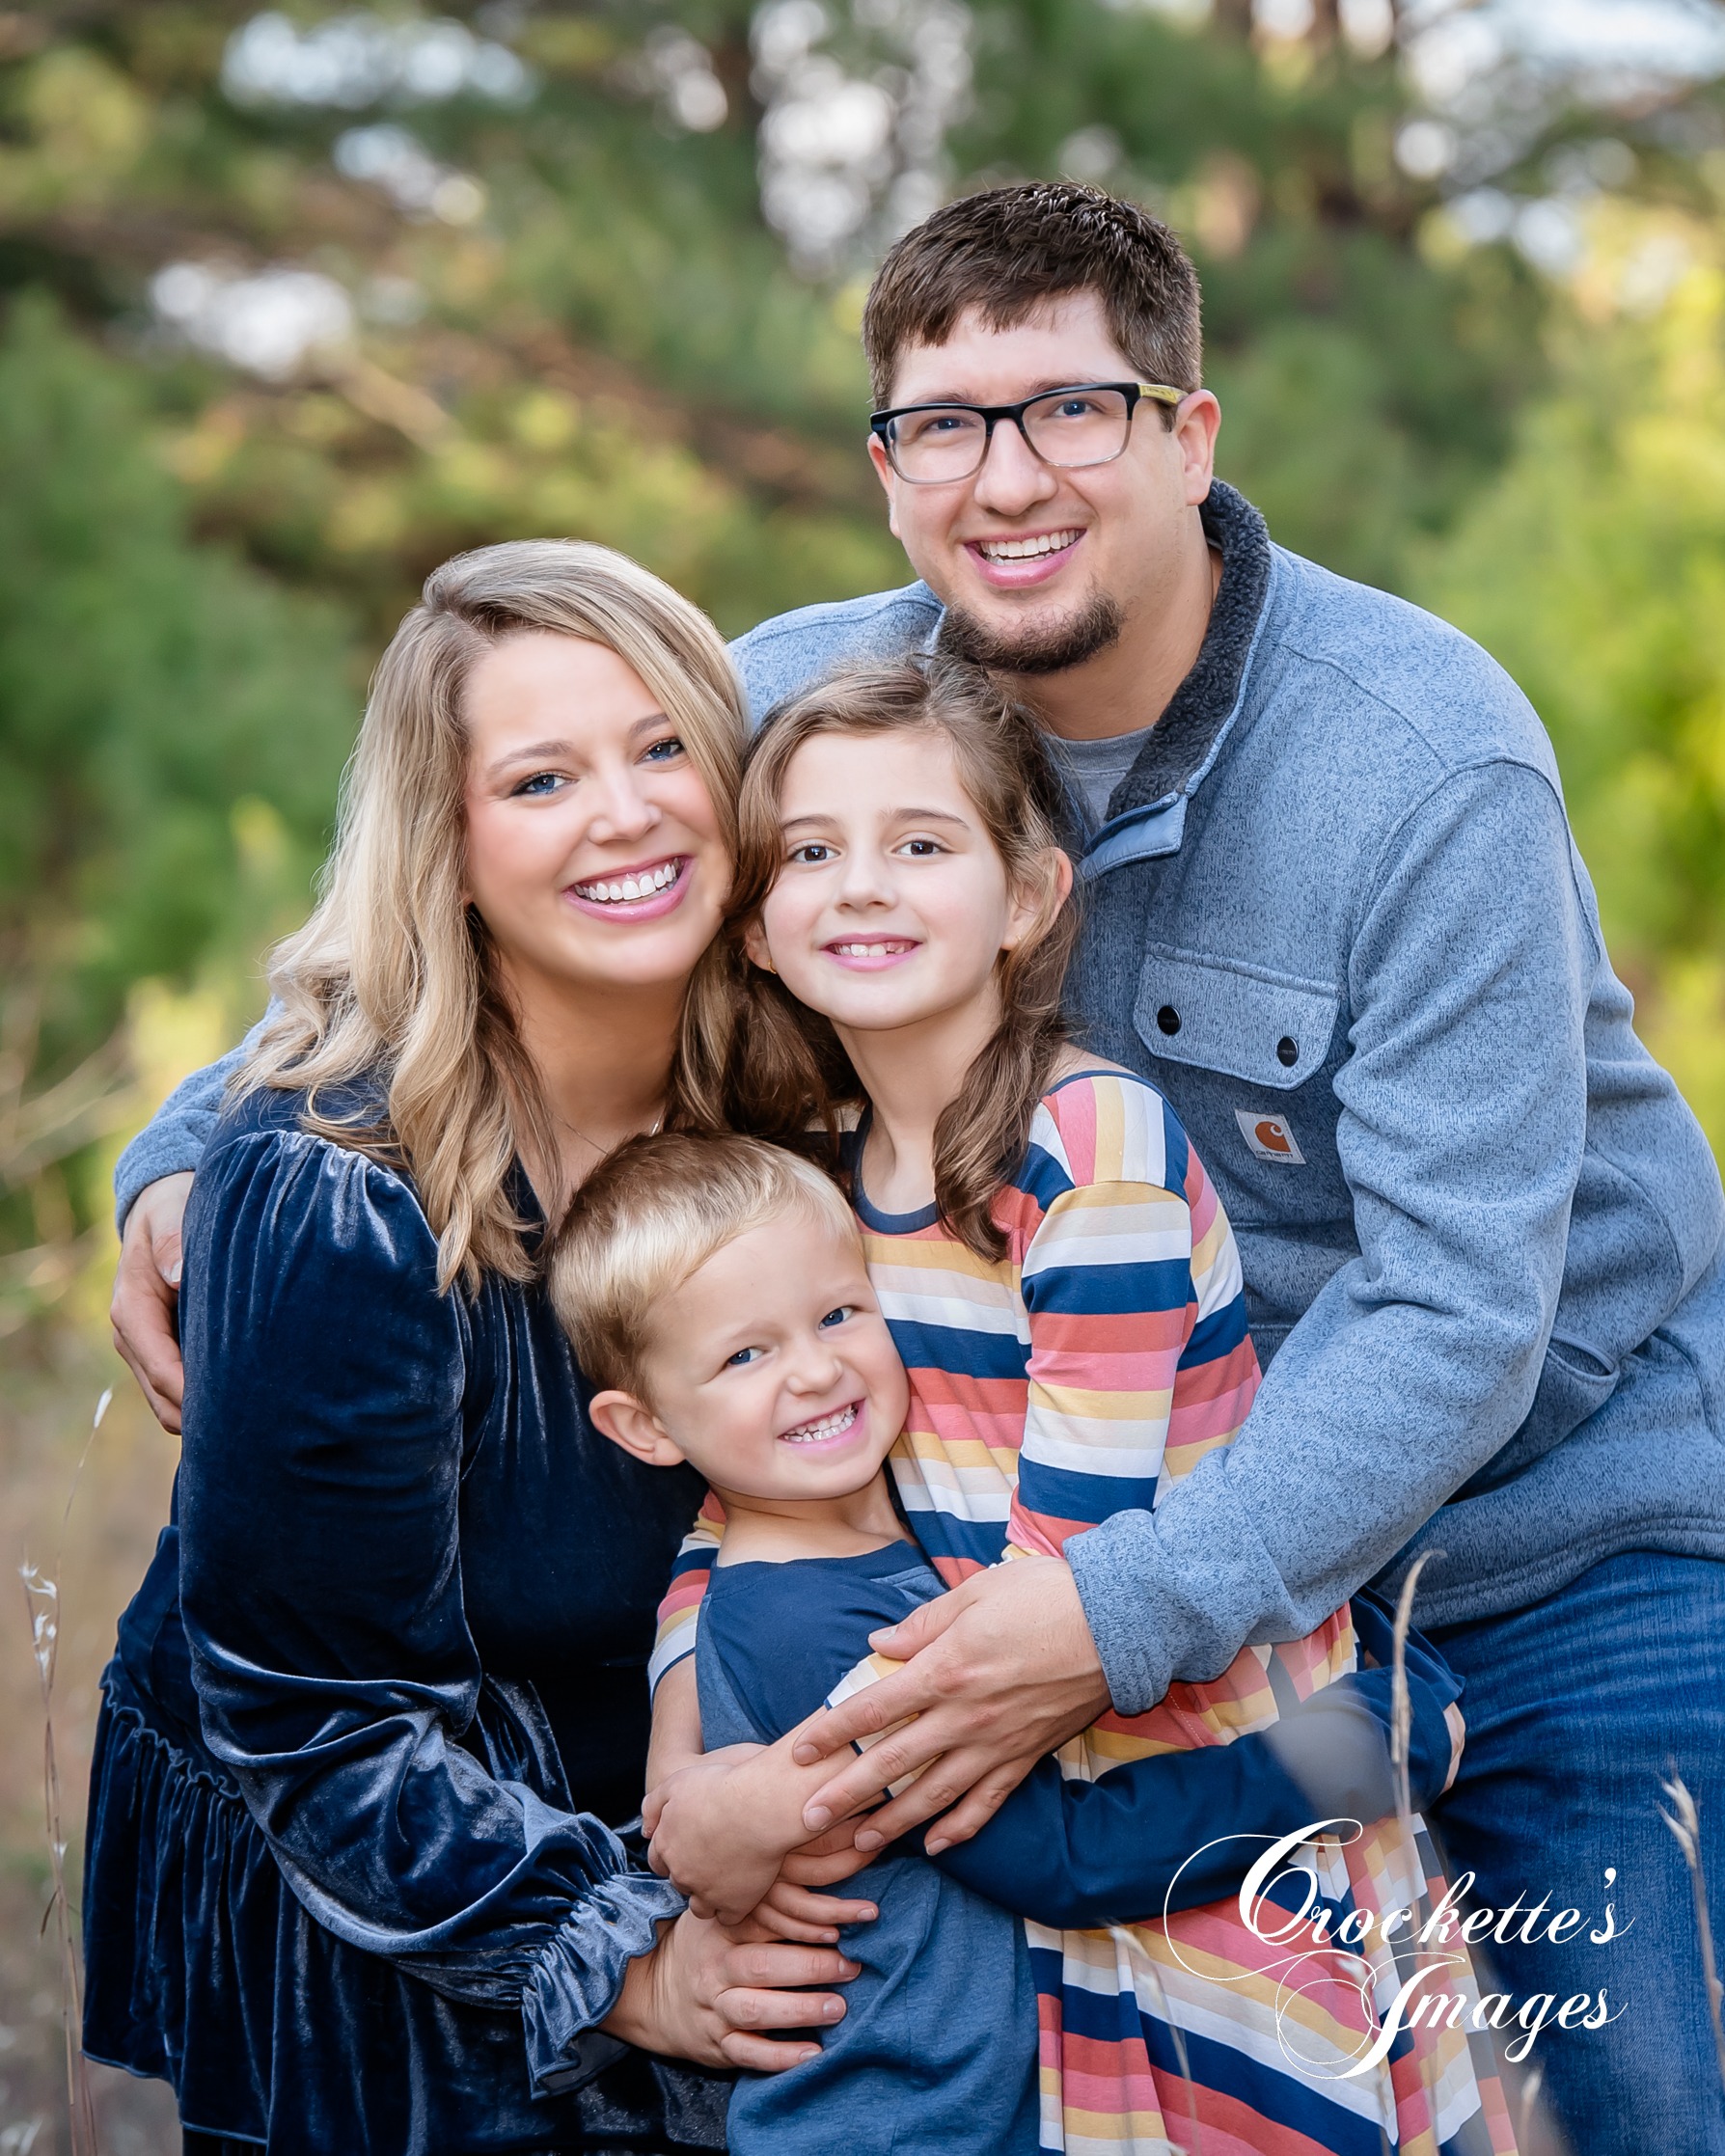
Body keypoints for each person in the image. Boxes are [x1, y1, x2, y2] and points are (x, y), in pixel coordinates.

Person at [109, 183, 1725, 2148]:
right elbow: (484, 872)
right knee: (1113, 2077)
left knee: (1627, 2081)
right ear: (885, 470)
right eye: (940, 425)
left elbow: (1466, 1303)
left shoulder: (1420, 762)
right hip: (1051, 1561)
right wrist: (203, 1140)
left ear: (1191, 433)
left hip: (1515, 1552)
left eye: (1071, 408)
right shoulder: (813, 699)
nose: (1004, 476)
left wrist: (1117, 1611)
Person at [81, 541, 869, 2155]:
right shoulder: (337, 1199)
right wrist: (630, 1962)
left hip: (686, 1822)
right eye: (539, 779)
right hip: (390, 1901)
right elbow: (316, 1719)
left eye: (662, 748)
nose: (627, 812)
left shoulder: (797, 1100)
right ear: (444, 847)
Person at [553, 1125, 1482, 2156]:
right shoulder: (811, 1629)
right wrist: (1361, 1747)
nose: (815, 1371)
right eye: (745, 1353)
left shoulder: (873, 1540)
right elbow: (1068, 1856)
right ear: (645, 1428)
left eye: (838, 1313)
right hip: (905, 2126)